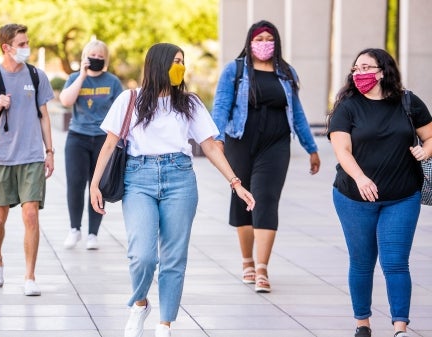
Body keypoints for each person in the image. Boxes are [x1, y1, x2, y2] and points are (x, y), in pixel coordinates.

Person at [89, 43, 256, 337]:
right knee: (142, 255)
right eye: (175, 61)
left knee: (173, 258)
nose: (180, 67)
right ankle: (140, 303)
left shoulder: (189, 103)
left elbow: (209, 146)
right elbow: (109, 144)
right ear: (158, 65)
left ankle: (164, 323)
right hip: (138, 178)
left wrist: (235, 182)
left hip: (180, 179)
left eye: (182, 61)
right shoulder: (130, 99)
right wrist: (94, 184)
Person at [326, 48, 432, 337]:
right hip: (353, 198)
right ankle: (363, 323)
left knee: (396, 262)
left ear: (383, 71)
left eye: (366, 68)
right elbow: (342, 150)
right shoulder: (347, 107)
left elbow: (431, 134)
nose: (359, 74)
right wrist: (360, 178)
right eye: (356, 69)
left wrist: (426, 150)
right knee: (361, 262)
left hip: (402, 197)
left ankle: (400, 327)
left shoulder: (408, 102)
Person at [211, 20, 321, 293]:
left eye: (268, 38)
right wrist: (217, 141)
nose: (263, 43)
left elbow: (297, 112)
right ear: (249, 42)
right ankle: (246, 261)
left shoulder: (286, 72)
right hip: (240, 142)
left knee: (267, 199)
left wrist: (311, 148)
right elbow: (221, 106)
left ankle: (262, 267)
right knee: (242, 201)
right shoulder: (234, 70)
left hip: (276, 145)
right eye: (258, 39)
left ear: (276, 42)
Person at [0, 23, 55, 296]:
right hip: (1, 156)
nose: (27, 48)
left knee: (30, 215)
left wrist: (49, 152)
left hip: (31, 156)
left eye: (27, 42)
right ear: (7, 47)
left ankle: (30, 276)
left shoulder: (37, 76)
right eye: (22, 44)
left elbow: (44, 115)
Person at [59, 40, 123, 250]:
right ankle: (74, 229)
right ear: (85, 57)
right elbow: (66, 101)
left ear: (105, 59)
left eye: (100, 56)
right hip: (78, 137)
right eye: (92, 56)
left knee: (97, 186)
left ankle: (93, 234)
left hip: (103, 140)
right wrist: (82, 75)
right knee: (75, 184)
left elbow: (122, 109)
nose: (96, 59)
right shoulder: (74, 78)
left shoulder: (112, 82)